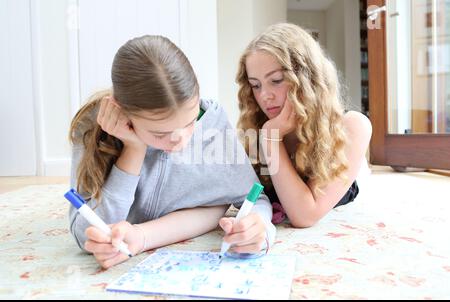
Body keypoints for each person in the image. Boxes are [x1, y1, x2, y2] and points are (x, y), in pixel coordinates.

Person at [68, 35, 275, 269]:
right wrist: (134, 148)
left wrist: (260, 227)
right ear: (123, 113)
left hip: (170, 228)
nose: (180, 140)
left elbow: (254, 199)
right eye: (159, 134)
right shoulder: (93, 126)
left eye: (189, 123)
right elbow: (86, 233)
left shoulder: (211, 120)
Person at [236, 23, 372, 228]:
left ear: (307, 79)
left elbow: (304, 216)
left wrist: (271, 138)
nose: (264, 96)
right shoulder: (254, 125)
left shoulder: (352, 126)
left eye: (276, 80)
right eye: (256, 85)